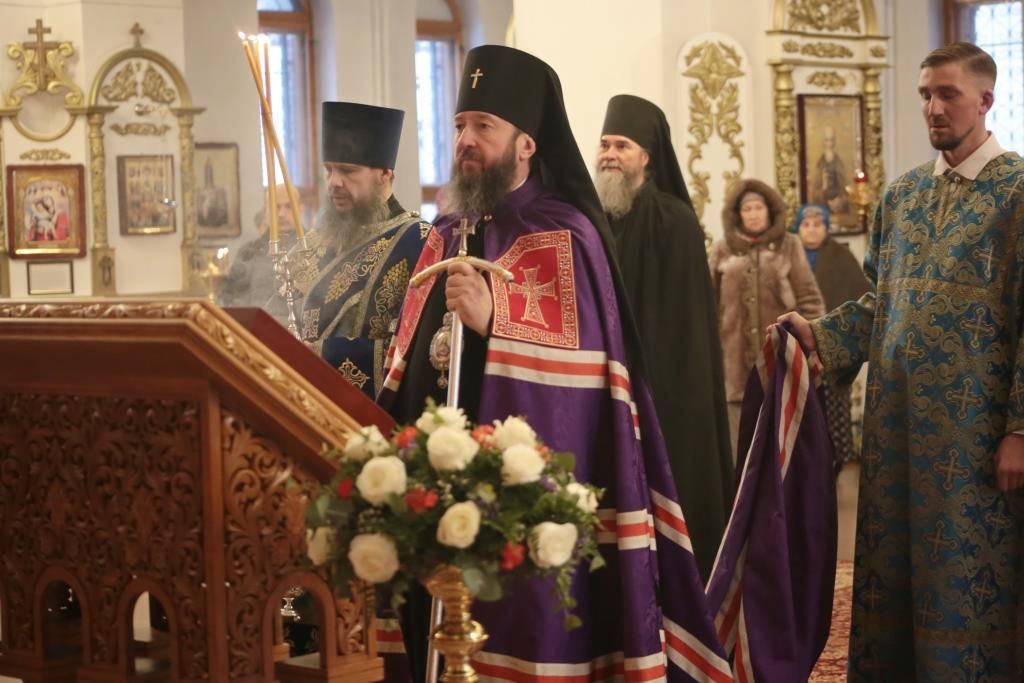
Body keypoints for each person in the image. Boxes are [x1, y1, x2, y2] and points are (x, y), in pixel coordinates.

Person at [379, 45, 727, 683]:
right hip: (442, 478)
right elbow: (409, 356)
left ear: (527, 144)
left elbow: (588, 375)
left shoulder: (566, 231)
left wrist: (496, 320)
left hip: (524, 488)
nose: (466, 140)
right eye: (460, 125)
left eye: (484, 126)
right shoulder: (446, 227)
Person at [780, 43, 1024, 681]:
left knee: (967, 571)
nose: (934, 108)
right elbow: (880, 301)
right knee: (894, 569)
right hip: (895, 430)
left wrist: (1020, 429)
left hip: (972, 436)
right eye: (925, 95)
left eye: (948, 94)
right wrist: (819, 336)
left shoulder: (1019, 193)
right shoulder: (903, 195)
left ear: (985, 100)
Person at [595, 93, 732, 581]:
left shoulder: (674, 220)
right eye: (605, 144)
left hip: (664, 390)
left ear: (647, 157)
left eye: (622, 146)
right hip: (603, 384)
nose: (610, 154)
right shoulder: (591, 218)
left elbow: (683, 327)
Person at [296, 101, 429, 398]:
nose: (334, 182)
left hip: (367, 412)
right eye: (329, 170)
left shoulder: (419, 241)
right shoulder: (316, 241)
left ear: (385, 173)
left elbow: (417, 348)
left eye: (348, 171)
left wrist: (316, 355)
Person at [709, 179, 824, 456]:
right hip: (733, 368)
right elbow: (707, 306)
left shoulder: (789, 245)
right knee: (740, 449)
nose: (753, 214)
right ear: (737, 214)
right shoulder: (722, 249)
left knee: (782, 449)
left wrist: (816, 346)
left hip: (782, 361)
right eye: (747, 209)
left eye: (758, 207)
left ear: (770, 210)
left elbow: (810, 300)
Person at [792, 203, 870, 468]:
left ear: (827, 228)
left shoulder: (841, 258)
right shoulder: (790, 254)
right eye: (806, 224)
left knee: (832, 411)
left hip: (831, 349)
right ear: (797, 228)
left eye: (818, 224)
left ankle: (833, 463)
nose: (812, 230)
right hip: (796, 348)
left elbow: (859, 298)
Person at [218, 183, 298, 315]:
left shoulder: (314, 249)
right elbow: (231, 300)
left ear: (300, 209)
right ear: (266, 212)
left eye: (289, 206)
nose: (281, 214)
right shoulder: (248, 253)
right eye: (275, 207)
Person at [811, 125, 850, 215]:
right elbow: (814, 194)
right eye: (826, 140)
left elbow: (847, 191)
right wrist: (823, 189)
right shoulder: (819, 165)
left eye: (831, 140)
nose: (829, 144)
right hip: (822, 210)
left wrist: (840, 201)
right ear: (823, 142)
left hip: (839, 211)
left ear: (834, 142)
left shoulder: (839, 164)